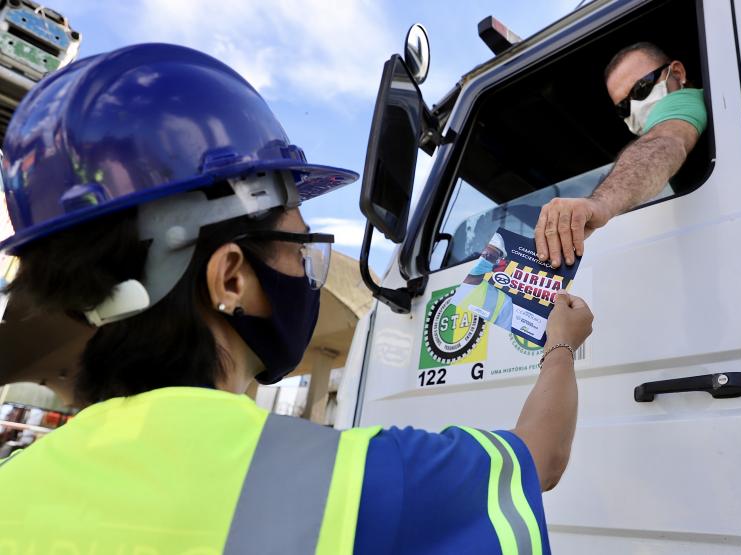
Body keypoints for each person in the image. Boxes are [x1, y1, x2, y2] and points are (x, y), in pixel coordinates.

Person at [0, 44, 593, 554]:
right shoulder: (354, 480)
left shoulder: (17, 489)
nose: (303, 271)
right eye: (296, 244)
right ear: (230, 277)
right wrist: (561, 346)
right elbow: (539, 459)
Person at [535, 41, 708, 267]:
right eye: (623, 107)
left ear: (677, 73)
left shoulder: (686, 102)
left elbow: (663, 142)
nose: (635, 107)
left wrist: (599, 204)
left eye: (641, 88)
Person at [451, 233, 514, 331]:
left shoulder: (502, 301)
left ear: (496, 262)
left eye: (490, 257)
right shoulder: (446, 279)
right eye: (481, 253)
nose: (483, 258)